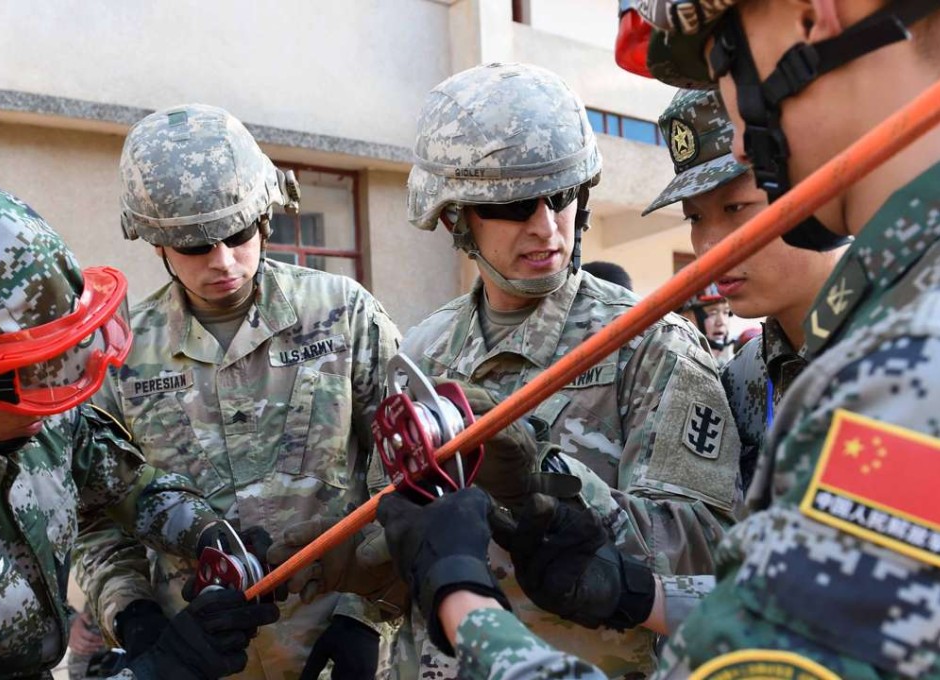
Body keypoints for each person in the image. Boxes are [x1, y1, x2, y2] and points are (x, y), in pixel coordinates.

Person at [384, 0, 940, 677]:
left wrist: (462, 601)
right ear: (456, 220)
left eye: (727, 60)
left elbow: (743, 620)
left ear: (816, 15)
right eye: (509, 205)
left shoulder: (897, 358)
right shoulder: (857, 343)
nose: (740, 141)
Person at [396, 61, 742, 679]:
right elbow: (384, 541)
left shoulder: (649, 343)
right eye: (513, 206)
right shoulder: (423, 350)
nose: (546, 225)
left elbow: (701, 550)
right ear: (456, 218)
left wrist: (548, 483)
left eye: (561, 197)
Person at [72, 103, 403, 680]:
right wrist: (134, 615)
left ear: (265, 219)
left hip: (336, 648)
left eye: (237, 234)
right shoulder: (120, 350)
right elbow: (95, 512)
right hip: (199, 656)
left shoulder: (342, 313)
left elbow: (408, 471)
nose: (223, 261)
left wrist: (369, 613)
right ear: (157, 245)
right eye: (197, 246)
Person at [0, 169, 277, 679]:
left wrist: (207, 534)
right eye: (29, 379)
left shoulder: (39, 415)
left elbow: (128, 486)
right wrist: (160, 671)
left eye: (63, 358)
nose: (53, 405)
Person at [645, 87, 846, 491]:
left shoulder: (910, 337)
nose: (709, 248)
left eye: (735, 208)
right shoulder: (737, 381)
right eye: (695, 218)